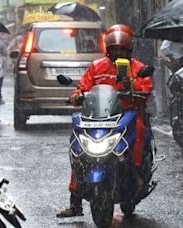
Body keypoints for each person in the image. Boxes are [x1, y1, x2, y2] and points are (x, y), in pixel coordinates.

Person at [56, 24, 153, 218]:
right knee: (78, 149)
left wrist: (132, 87)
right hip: (99, 116)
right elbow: (84, 87)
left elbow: (146, 89)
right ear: (108, 50)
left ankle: (137, 175)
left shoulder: (138, 68)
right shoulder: (97, 66)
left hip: (127, 114)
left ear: (129, 49)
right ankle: (75, 202)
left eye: (122, 49)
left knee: (140, 134)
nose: (118, 53)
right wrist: (77, 95)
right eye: (114, 49)